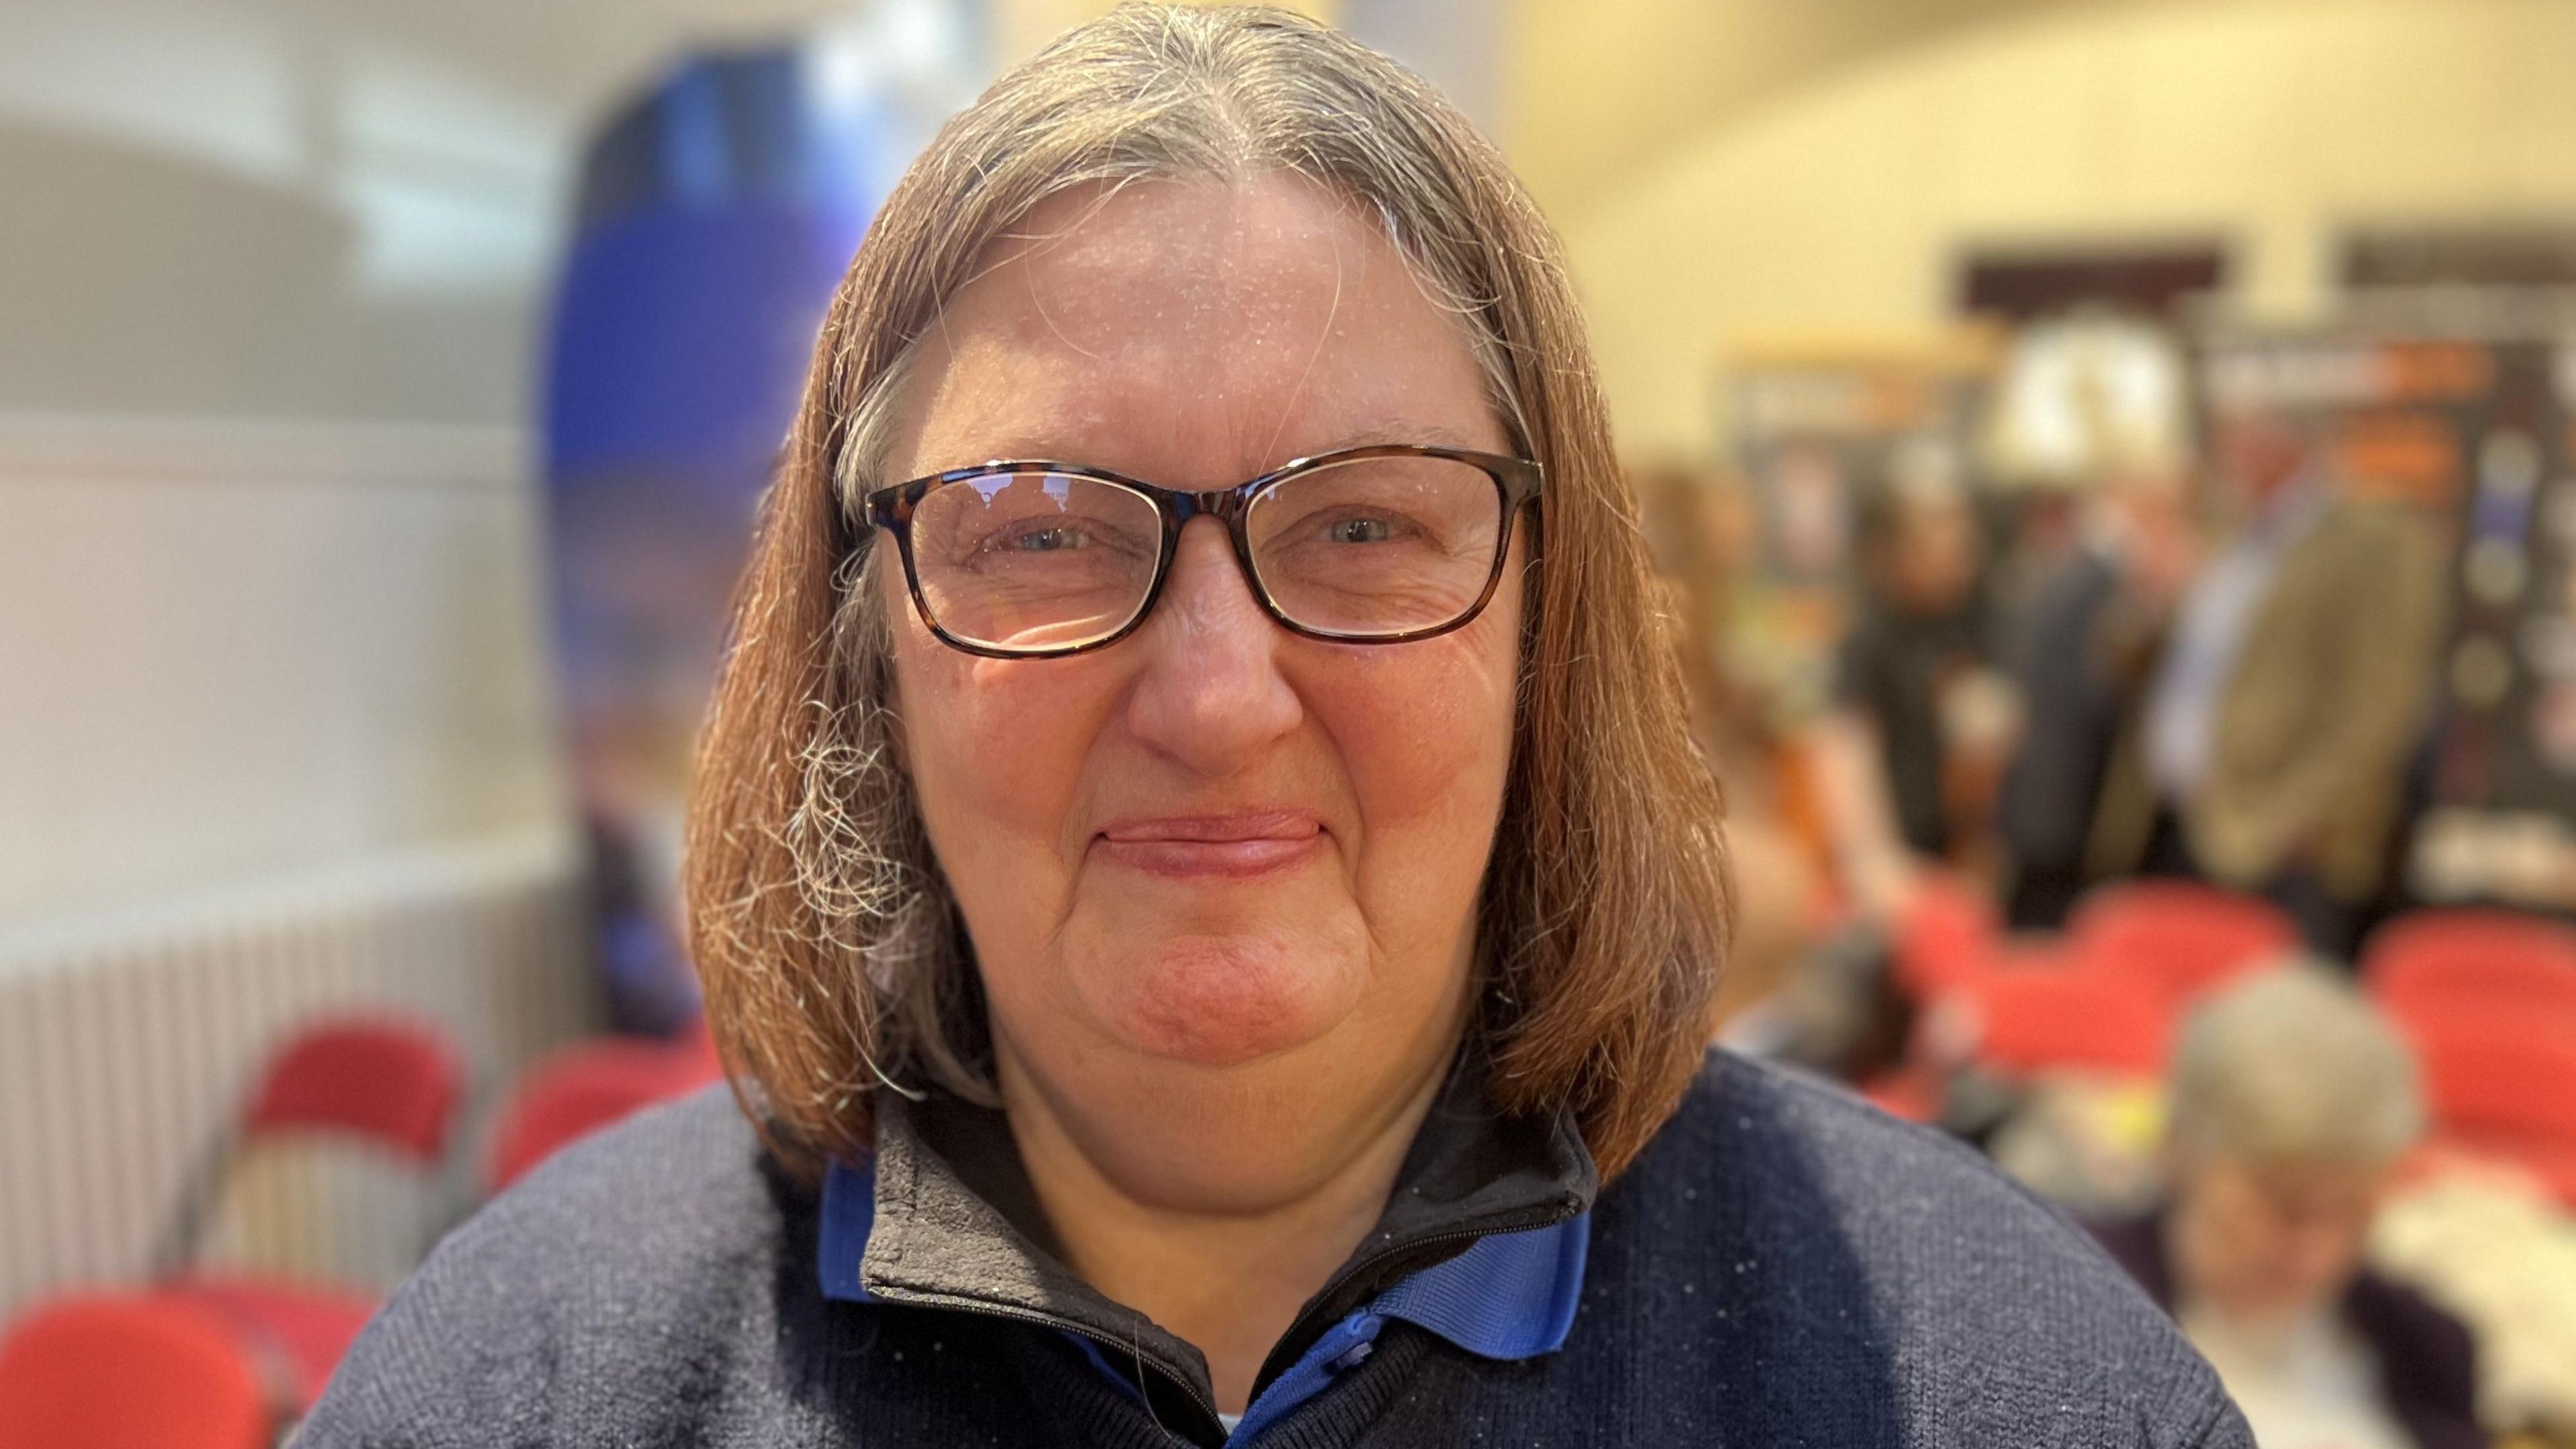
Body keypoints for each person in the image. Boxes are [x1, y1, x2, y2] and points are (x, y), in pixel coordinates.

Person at [303, 9, 2248, 1445]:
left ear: (1546, 624)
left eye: (1367, 528)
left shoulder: (2013, 1391)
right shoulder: (526, 1383)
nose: (1220, 700)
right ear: (859, 644)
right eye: (1047, 531)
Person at [2092, 413, 2446, 955]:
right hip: (2173, 820)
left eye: (2239, 434)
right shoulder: (2227, 531)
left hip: (2276, 844)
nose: (2226, 453)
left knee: (2271, 1026)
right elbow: (2136, 663)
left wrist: (2301, 820)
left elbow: (2380, 705)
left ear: (2286, 441)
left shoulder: (2373, 538)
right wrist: (2150, 597)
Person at [2093, 968, 2483, 1449]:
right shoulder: (2069, 1310)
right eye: (2283, 1208)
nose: (2317, 1250)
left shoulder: (2428, 1347)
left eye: (2352, 1211)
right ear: (2180, 1152)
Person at [1998, 463, 2198, 928]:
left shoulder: (2068, 572)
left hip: (2043, 804)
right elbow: (2093, 697)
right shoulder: (2099, 584)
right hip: (2065, 812)